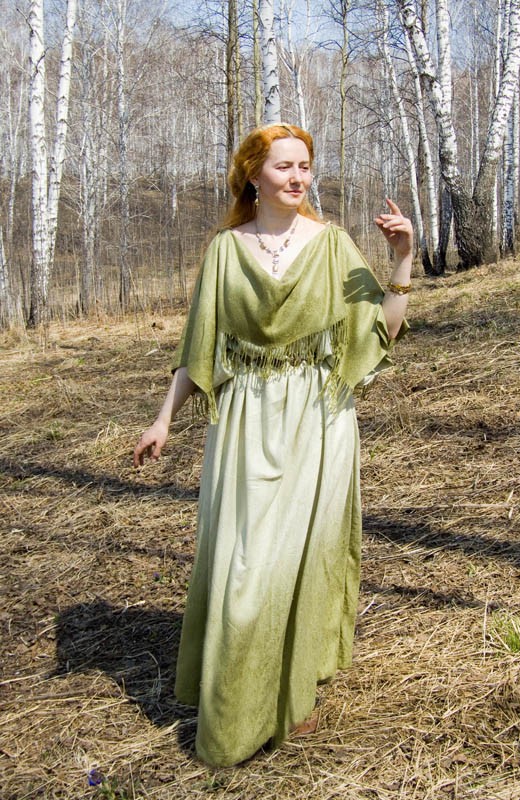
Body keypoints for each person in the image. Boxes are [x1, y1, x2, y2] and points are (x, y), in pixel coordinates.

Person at [133, 123, 413, 767]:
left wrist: (402, 259)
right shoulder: (225, 251)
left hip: (319, 422)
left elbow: (380, 332)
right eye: (284, 165)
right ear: (253, 175)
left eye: (305, 166)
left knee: (301, 558)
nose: (297, 177)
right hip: (244, 424)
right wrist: (163, 420)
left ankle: (292, 694)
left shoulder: (333, 244)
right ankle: (236, 706)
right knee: (246, 566)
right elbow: (198, 347)